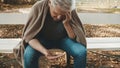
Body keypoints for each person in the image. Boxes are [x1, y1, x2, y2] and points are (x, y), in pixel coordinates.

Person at [14, 0, 87, 68]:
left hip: (63, 40)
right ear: (49, 3)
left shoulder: (69, 9)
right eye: (55, 13)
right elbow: (30, 38)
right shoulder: (38, 8)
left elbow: (72, 38)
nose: (58, 17)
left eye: (62, 14)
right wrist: (45, 52)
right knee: (29, 54)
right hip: (41, 41)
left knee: (81, 52)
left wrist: (66, 24)